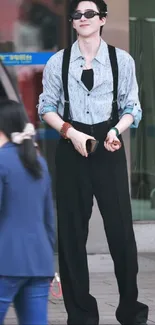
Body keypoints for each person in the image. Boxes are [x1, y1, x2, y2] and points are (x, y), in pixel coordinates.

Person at [37, 1, 149, 324]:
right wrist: (70, 133)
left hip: (109, 148)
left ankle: (131, 311)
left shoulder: (121, 60)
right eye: (77, 15)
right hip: (71, 147)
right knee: (71, 237)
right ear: (72, 23)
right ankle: (82, 315)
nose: (83, 19)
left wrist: (116, 130)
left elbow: (133, 107)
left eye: (89, 14)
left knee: (122, 236)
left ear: (102, 19)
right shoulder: (59, 62)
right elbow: (47, 107)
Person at [0, 99, 55, 325]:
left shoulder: (2, 161)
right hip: (40, 262)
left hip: (6, 260)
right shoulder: (38, 162)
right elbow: (49, 220)